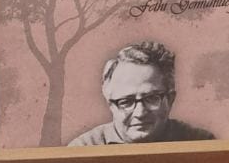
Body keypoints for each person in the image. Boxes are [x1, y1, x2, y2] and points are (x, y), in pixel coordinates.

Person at [69, 41, 215, 146]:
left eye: (151, 98)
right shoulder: (83, 149)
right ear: (110, 105)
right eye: (126, 102)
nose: (140, 113)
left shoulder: (201, 144)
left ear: (170, 100)